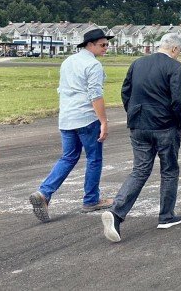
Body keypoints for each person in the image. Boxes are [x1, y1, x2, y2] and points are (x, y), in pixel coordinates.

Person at [101, 33, 181, 242]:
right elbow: (179, 101)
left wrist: (133, 112)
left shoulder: (137, 63)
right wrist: (180, 121)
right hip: (165, 125)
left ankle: (116, 212)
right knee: (169, 170)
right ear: (175, 49)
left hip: (138, 123)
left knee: (140, 170)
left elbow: (125, 92)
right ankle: (166, 215)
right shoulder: (176, 68)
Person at [30, 28, 114, 222]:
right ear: (90, 44)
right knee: (94, 158)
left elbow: (62, 89)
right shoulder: (93, 65)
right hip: (86, 118)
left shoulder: (68, 61)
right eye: (103, 45)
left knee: (68, 157)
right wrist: (103, 121)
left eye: (107, 44)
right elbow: (95, 95)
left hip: (67, 118)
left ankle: (44, 192)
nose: (106, 48)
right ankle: (91, 199)